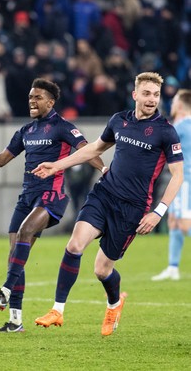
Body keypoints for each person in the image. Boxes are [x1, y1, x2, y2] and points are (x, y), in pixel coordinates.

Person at [32, 72, 184, 336]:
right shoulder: (119, 120)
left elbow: (178, 175)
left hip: (133, 208)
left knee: (102, 270)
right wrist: (56, 165)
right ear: (135, 94)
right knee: (75, 244)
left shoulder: (165, 132)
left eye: (156, 95)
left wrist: (158, 212)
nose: (151, 100)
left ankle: (114, 303)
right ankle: (58, 310)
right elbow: (94, 149)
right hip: (104, 194)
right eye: (146, 94)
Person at [0, 78, 105, 333]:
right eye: (30, 98)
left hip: (51, 196)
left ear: (50, 101)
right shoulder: (26, 131)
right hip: (27, 197)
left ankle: (4, 291)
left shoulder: (62, 127)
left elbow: (87, 150)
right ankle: (14, 321)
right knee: (15, 256)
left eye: (37, 98)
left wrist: (104, 168)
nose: (32, 102)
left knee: (24, 232)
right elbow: (1, 160)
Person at [152, 89, 191, 281]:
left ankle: (173, 267)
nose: (172, 104)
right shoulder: (184, 125)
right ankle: (173, 267)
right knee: (174, 222)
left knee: (184, 224)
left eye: (175, 101)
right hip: (181, 181)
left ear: (181, 105)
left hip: (186, 181)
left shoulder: (183, 126)